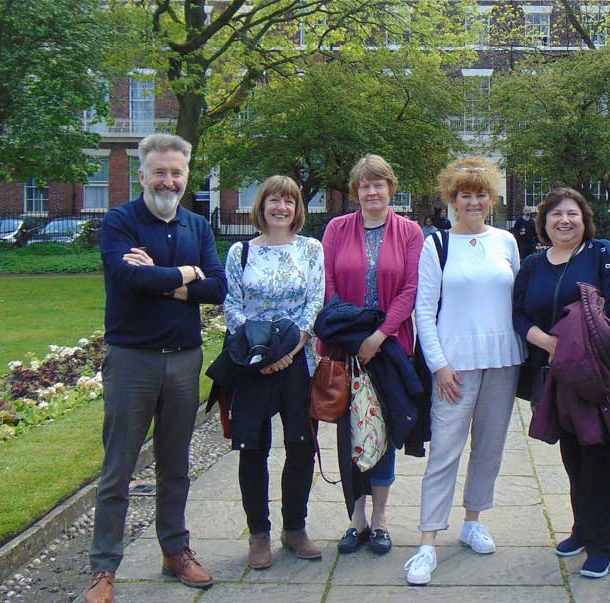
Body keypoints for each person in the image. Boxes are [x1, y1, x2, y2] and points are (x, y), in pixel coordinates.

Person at [88, 133, 226, 603]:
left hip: (184, 360)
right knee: (119, 467)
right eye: (160, 171)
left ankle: (175, 550)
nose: (168, 180)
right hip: (133, 360)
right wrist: (188, 274)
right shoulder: (119, 222)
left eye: (177, 172)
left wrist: (166, 279)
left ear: (187, 175)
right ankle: (103, 570)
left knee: (175, 465)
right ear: (142, 174)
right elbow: (129, 278)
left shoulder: (197, 225)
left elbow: (219, 287)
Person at [404, 157, 525, 585]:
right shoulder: (437, 245)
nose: (473, 201)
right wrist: (438, 365)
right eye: (465, 194)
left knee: (489, 448)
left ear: (491, 199)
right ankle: (426, 543)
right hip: (454, 366)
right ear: (452, 200)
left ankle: (474, 519)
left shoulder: (506, 242)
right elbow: (423, 309)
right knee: (444, 453)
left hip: (503, 360)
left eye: (480, 194)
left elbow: (517, 300)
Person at [512, 187, 610, 579]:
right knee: (571, 456)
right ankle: (581, 528)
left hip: (592, 374)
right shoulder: (533, 264)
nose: (565, 221)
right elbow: (518, 314)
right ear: (544, 222)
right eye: (556, 214)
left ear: (585, 219)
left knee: (597, 456)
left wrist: (575, 344)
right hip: (550, 374)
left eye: (572, 214)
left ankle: (602, 544)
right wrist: (547, 342)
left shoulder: (602, 257)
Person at [319, 154, 423, 556]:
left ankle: (380, 520)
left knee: (382, 433)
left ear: (390, 188)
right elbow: (328, 283)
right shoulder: (337, 228)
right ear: (355, 190)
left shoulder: (410, 232)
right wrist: (350, 335)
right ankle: (355, 518)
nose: (372, 191)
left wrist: (378, 335)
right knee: (350, 434)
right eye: (364, 185)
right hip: (345, 349)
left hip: (389, 349)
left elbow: (410, 289)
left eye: (379, 184)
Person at [221, 176, 325, 569]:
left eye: (289, 201)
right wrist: (261, 351)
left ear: (297, 209)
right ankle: (259, 533)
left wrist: (291, 348)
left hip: (297, 362)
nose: (281, 208)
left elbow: (314, 301)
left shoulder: (311, 250)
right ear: (261, 207)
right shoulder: (241, 252)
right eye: (274, 201)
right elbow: (231, 305)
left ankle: (294, 528)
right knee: (253, 448)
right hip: (252, 363)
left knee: (300, 446)